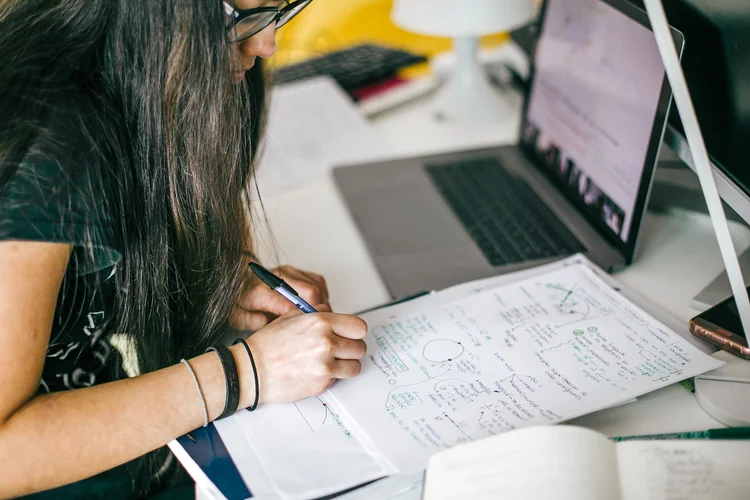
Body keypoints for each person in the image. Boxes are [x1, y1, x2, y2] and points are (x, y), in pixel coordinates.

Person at [0, 0, 368, 498]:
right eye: (244, 20)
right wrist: (248, 372)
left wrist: (222, 281)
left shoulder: (168, 81)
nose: (265, 46)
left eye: (276, 12)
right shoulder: (46, 153)